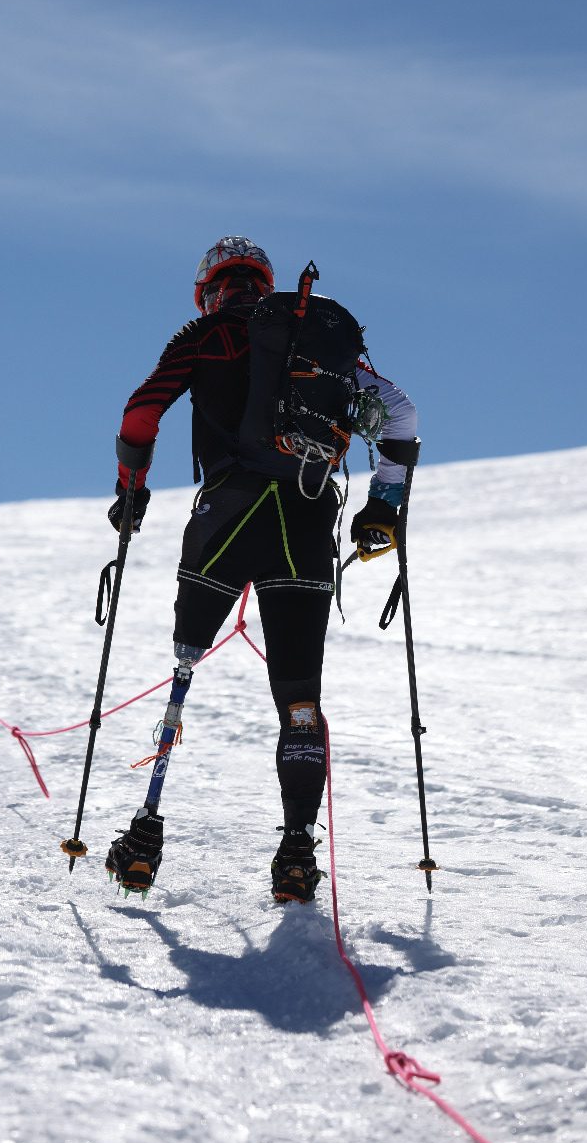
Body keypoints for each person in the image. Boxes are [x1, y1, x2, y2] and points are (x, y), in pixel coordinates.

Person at [104, 236, 417, 902]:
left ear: (208, 290)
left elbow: (141, 412)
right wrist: (383, 507)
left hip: (226, 517)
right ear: (267, 287)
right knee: (300, 697)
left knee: (185, 667)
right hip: (306, 517)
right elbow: (399, 413)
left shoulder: (204, 336)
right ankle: (296, 851)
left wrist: (131, 490)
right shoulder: (316, 339)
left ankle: (145, 833)